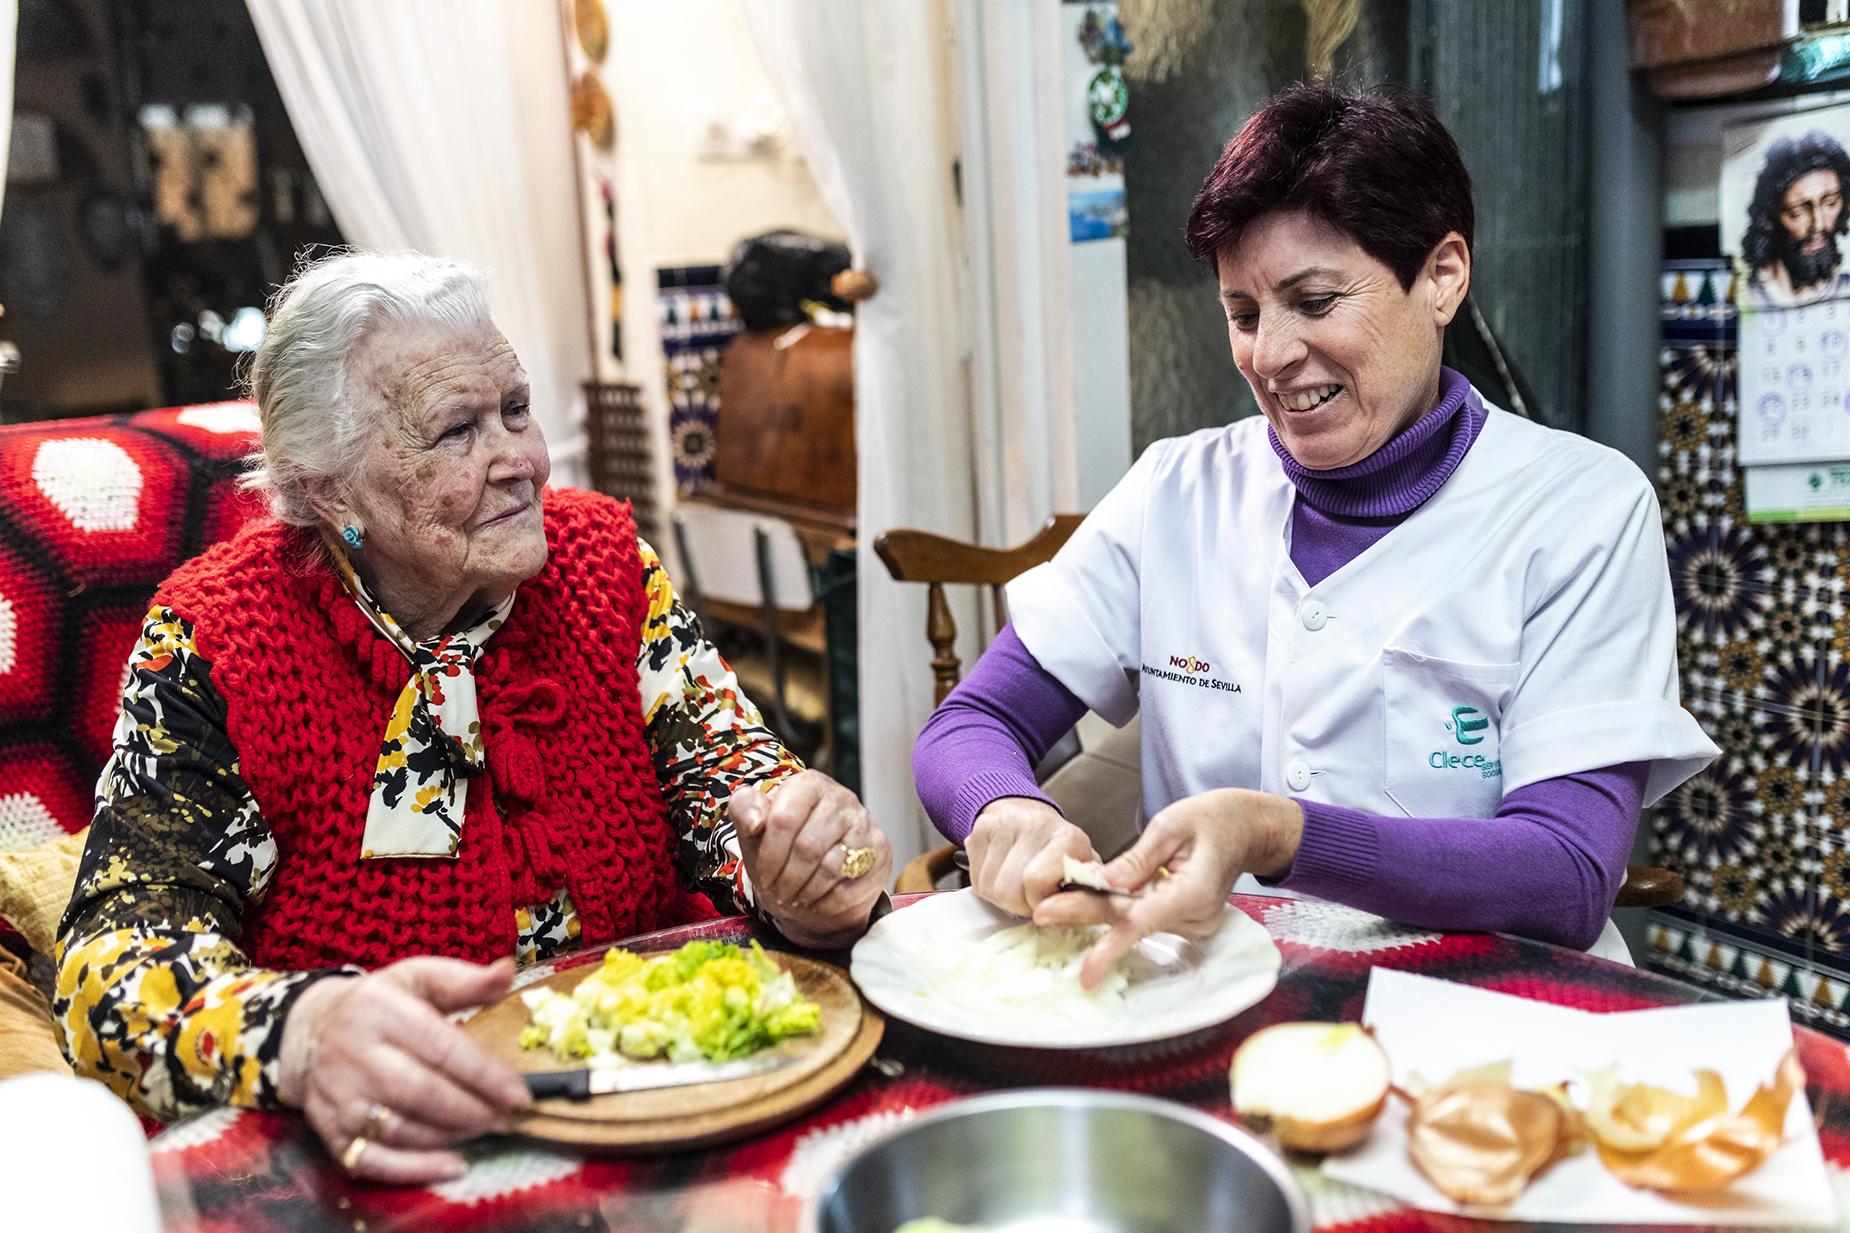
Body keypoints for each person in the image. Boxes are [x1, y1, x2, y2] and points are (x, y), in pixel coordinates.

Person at [54, 251, 893, 1184]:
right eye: (456, 430)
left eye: (517, 410)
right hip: (405, 1152)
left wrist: (802, 862)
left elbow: (736, 785)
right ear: (327, 488)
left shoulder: (607, 566)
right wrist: (303, 1031)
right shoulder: (218, 640)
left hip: (670, 1104)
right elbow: (110, 971)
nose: (523, 463)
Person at [913, 83, 1718, 986]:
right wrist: (1006, 808)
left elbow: (1565, 872)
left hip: (1473, 1019)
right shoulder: (1176, 492)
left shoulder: (1582, 510)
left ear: (1443, 276)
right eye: (1244, 314)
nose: (1271, 353)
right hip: (1204, 1005)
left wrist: (1281, 835)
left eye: (1316, 300)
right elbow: (970, 721)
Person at [1742, 130, 1850, 307]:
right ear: (1768, 219)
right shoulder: (1750, 296)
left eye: (1830, 203)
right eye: (1798, 212)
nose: (1819, 224)